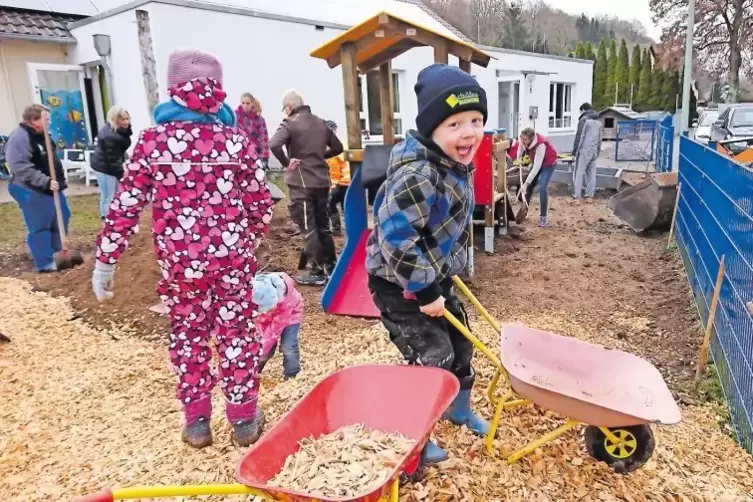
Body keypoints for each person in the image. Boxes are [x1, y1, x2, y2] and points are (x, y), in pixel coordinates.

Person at [91, 49, 274, 449]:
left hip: (181, 264)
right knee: (236, 334)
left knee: (189, 336)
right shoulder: (234, 140)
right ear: (218, 89)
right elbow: (260, 202)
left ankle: (197, 423)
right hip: (231, 260)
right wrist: (252, 235)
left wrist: (106, 260)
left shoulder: (154, 141)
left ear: (173, 88)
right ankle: (243, 421)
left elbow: (126, 203)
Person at [365, 63, 489, 465]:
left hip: (432, 274)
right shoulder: (418, 174)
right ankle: (417, 431)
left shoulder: (452, 164)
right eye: (455, 124)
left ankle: (459, 409)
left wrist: (447, 269)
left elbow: (448, 226)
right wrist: (423, 289)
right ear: (431, 129)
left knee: (462, 341)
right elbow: (396, 238)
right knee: (433, 352)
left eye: (476, 120)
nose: (469, 132)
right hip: (398, 283)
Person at [269, 89, 343, 286]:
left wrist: (287, 162)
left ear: (290, 106)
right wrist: (318, 156)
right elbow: (338, 148)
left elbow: (274, 143)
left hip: (302, 183)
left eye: (284, 108)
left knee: (309, 227)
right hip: (322, 182)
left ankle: (317, 271)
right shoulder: (321, 122)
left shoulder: (289, 123)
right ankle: (332, 267)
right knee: (323, 226)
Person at [5, 104, 69, 273]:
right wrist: (45, 181)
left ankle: (57, 254)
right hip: (31, 188)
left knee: (62, 217)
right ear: (34, 120)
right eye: (46, 119)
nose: (49, 122)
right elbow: (20, 168)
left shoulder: (42, 133)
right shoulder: (19, 138)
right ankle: (45, 262)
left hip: (52, 187)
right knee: (41, 225)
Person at [253, 272, 304, 380]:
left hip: (291, 316)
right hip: (267, 318)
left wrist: (261, 351)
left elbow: (274, 331)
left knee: (288, 345)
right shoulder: (257, 291)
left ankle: (292, 373)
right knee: (263, 343)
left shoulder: (285, 301)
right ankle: (255, 369)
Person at [90, 106, 133, 219]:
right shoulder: (111, 136)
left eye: (127, 119)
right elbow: (112, 159)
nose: (126, 122)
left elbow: (119, 151)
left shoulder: (119, 131)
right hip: (104, 167)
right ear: (115, 120)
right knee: (108, 195)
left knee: (115, 194)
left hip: (109, 164)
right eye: (123, 119)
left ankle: (115, 218)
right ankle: (107, 220)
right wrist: (121, 173)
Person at [514, 127, 558, 227]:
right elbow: (520, 149)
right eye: (522, 139)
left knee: (542, 188)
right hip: (537, 162)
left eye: (525, 140)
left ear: (531, 139)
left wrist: (526, 183)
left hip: (548, 163)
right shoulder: (523, 140)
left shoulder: (540, 145)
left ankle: (543, 218)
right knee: (529, 187)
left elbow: (537, 167)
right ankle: (524, 211)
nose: (523, 141)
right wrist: (518, 159)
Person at [572, 102, 602, 202]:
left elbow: (579, 136)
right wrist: (597, 151)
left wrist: (575, 151)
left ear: (583, 110)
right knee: (591, 175)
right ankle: (589, 196)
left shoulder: (584, 120)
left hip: (584, 150)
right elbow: (600, 139)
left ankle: (577, 197)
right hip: (594, 151)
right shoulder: (598, 122)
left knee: (579, 173)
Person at [325, 120, 350, 236]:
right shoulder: (342, 144)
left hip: (342, 182)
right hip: (349, 181)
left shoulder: (332, 147)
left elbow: (334, 170)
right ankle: (351, 228)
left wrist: (332, 186)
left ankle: (336, 229)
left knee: (329, 202)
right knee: (346, 206)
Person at [236, 92, 270, 169]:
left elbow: (264, 139)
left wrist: (265, 157)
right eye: (243, 103)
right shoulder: (235, 117)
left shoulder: (259, 120)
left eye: (248, 103)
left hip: (255, 155)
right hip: (239, 153)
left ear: (252, 104)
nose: (245, 106)